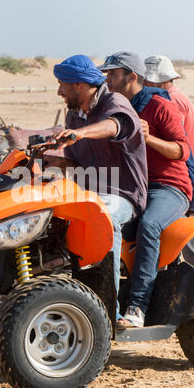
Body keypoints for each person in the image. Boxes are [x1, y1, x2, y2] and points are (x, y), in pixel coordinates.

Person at [99, 52, 193, 327]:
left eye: (112, 74)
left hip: (169, 187)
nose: (108, 80)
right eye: (106, 74)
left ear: (133, 77)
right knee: (99, 220)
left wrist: (148, 137)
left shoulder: (159, 106)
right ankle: (102, 305)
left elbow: (182, 151)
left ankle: (137, 307)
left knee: (149, 225)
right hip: (132, 187)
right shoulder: (114, 107)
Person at [52, 55, 148, 325]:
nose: (59, 91)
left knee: (101, 214)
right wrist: (49, 159)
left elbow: (114, 126)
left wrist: (81, 133)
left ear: (80, 85)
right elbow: (76, 161)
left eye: (63, 84)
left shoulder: (114, 103)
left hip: (123, 196)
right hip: (87, 194)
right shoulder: (74, 114)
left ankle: (108, 311)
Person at [145, 55, 194, 268]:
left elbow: (181, 151)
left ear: (158, 80)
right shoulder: (180, 98)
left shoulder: (169, 101)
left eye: (146, 80)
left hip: (193, 188)